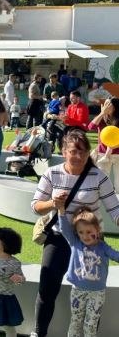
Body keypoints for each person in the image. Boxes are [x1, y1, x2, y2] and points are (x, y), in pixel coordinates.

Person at [30, 129, 119, 337]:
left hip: (92, 242)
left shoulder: (99, 176)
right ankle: (38, 332)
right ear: (63, 151)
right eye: (73, 151)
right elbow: (35, 206)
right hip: (59, 238)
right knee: (47, 288)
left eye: (83, 152)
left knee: (92, 294)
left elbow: (115, 209)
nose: (78, 156)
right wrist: (54, 203)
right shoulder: (52, 173)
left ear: (89, 154)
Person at [58, 206, 119, 337]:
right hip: (77, 291)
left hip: (97, 294)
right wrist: (60, 210)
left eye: (88, 231)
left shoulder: (103, 247)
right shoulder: (75, 243)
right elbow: (63, 228)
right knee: (75, 321)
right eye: (80, 232)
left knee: (90, 325)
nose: (84, 236)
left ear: (97, 230)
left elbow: (116, 255)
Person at [89, 98, 119, 190]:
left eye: (108, 105)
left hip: (118, 154)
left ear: (114, 107)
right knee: (102, 183)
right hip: (102, 153)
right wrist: (102, 113)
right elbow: (91, 127)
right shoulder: (102, 119)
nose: (105, 107)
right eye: (105, 104)